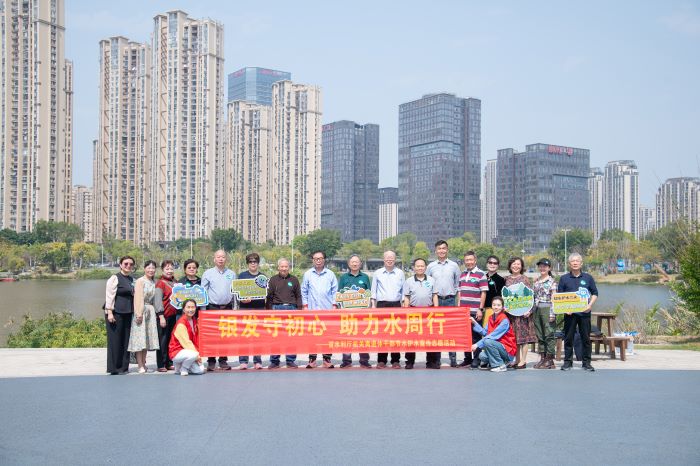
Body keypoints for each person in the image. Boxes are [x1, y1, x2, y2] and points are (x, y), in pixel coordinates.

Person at [559, 253, 599, 372]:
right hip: (569, 314)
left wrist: (590, 305)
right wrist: (565, 309)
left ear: (581, 263)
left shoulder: (588, 278)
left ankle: (586, 363)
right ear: (569, 264)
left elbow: (595, 293)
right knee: (568, 338)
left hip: (584, 313)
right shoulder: (564, 278)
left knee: (585, 339)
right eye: (573, 261)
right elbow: (559, 296)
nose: (575, 263)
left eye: (577, 261)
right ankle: (567, 363)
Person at [426, 240, 461, 367]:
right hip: (436, 301)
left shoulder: (454, 266)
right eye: (439, 248)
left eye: (444, 248)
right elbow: (427, 284)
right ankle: (437, 359)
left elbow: (458, 285)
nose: (441, 250)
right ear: (435, 251)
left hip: (450, 300)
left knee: (451, 330)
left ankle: (453, 358)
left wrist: (458, 302)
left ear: (447, 250)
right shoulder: (430, 266)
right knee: (436, 330)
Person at [301, 251, 338, 369]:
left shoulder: (330, 274)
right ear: (313, 260)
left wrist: (334, 305)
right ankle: (312, 359)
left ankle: (327, 359)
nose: (318, 260)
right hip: (312, 311)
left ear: (324, 260)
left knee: (327, 335)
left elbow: (335, 291)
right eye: (316, 258)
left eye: (320, 258)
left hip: (327, 311)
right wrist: (305, 306)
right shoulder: (308, 274)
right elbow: (304, 291)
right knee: (312, 335)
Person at [201, 250, 235, 371]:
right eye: (218, 257)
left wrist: (235, 309)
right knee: (212, 336)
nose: (221, 259)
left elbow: (235, 292)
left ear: (226, 259)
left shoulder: (231, 274)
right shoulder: (208, 273)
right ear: (214, 259)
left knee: (225, 336)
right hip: (212, 308)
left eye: (223, 257)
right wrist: (203, 310)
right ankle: (211, 361)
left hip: (227, 308)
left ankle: (223, 360)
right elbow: (203, 292)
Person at [371, 250, 406, 368]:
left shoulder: (400, 273)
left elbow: (404, 290)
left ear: (395, 259)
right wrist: (373, 305)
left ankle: (395, 360)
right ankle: (382, 360)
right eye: (387, 258)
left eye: (392, 258)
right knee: (382, 333)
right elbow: (374, 291)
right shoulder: (377, 273)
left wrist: (403, 304)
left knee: (396, 333)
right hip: (382, 305)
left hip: (396, 305)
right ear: (383, 259)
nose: (389, 260)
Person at [402, 258, 439, 369]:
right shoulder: (409, 281)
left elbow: (435, 296)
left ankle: (431, 361)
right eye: (417, 266)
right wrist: (406, 311)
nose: (420, 268)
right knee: (411, 338)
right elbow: (407, 297)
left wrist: (436, 310)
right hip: (413, 312)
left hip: (429, 312)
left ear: (425, 267)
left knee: (430, 337)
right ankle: (409, 361)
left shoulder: (432, 280)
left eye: (422, 266)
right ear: (414, 268)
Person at [266, 258, 302, 369]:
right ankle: (274, 361)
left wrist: (299, 310)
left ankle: (290, 360)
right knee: (275, 336)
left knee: (291, 336)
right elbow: (269, 297)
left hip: (291, 309)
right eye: (282, 266)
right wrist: (268, 311)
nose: (284, 268)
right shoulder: (273, 280)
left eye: (286, 266)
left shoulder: (294, 280)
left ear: (289, 267)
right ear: (278, 267)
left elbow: (298, 296)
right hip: (277, 309)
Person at [128, 260, 162, 374]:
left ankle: (144, 363)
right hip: (141, 310)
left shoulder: (154, 282)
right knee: (140, 340)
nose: (151, 270)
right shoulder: (140, 281)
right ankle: (140, 365)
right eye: (149, 268)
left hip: (150, 312)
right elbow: (138, 298)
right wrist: (139, 313)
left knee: (146, 340)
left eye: (153, 268)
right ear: (144, 269)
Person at [338, 255, 372, 368]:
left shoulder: (365, 277)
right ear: (349, 264)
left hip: (362, 312)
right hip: (347, 313)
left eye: (356, 262)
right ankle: (346, 360)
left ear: (360, 264)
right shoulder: (343, 277)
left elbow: (368, 293)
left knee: (363, 336)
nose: (354, 264)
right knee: (347, 336)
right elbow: (339, 294)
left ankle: (364, 360)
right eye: (352, 262)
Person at [104, 256, 136, 375]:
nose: (128, 266)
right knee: (115, 340)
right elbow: (109, 296)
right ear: (121, 265)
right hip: (115, 313)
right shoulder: (114, 278)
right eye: (126, 263)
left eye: (131, 264)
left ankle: (123, 367)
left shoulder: (132, 279)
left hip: (128, 312)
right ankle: (114, 368)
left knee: (126, 340)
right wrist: (110, 312)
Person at [456, 251, 488, 368]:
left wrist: (480, 309)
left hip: (475, 310)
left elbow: (483, 293)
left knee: (476, 336)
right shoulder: (462, 274)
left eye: (471, 260)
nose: (469, 262)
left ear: (475, 260)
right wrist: (459, 307)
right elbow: (460, 292)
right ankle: (467, 358)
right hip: (464, 311)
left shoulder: (481, 274)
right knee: (465, 336)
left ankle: (477, 359)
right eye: (466, 260)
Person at [470, 296, 516, 372]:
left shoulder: (504, 320)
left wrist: (477, 345)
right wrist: (475, 322)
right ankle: (504, 362)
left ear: (502, 307)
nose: (496, 307)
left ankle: (500, 365)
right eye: (494, 305)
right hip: (497, 347)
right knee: (482, 356)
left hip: (507, 349)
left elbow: (493, 336)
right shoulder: (491, 318)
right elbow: (485, 332)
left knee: (488, 341)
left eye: (498, 305)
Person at [505, 257, 535, 369]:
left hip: (523, 314)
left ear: (521, 266)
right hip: (511, 314)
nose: (516, 266)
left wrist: (529, 311)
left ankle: (523, 360)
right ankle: (517, 359)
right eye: (513, 264)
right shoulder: (506, 279)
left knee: (524, 338)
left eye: (518, 264)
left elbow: (531, 296)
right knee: (515, 337)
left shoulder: (525, 279)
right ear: (510, 265)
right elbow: (505, 296)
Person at [237, 252, 264, 370]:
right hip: (245, 309)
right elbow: (237, 294)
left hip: (259, 309)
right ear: (247, 263)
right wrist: (242, 300)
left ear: (258, 263)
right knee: (244, 335)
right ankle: (243, 361)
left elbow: (266, 293)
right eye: (251, 262)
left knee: (258, 335)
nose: (253, 264)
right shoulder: (242, 276)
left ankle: (257, 361)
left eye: (255, 262)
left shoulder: (263, 277)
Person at [168, 299, 205, 376]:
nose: (191, 310)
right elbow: (186, 343)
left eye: (193, 307)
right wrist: (197, 356)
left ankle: (180, 366)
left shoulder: (194, 320)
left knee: (200, 370)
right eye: (188, 307)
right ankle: (183, 368)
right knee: (194, 355)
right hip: (177, 351)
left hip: (188, 352)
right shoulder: (181, 323)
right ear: (183, 309)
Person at [532, 258, 558, 369]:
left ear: (549, 268)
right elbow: (533, 297)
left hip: (547, 309)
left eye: (545, 266)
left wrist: (552, 313)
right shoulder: (536, 281)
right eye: (541, 266)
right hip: (537, 309)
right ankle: (542, 358)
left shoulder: (552, 282)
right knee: (540, 334)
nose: (542, 268)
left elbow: (554, 298)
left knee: (549, 334)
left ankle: (550, 359)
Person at [155, 260, 178, 372]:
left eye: (171, 269)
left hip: (174, 315)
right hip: (164, 316)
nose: (169, 271)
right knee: (162, 340)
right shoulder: (160, 283)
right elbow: (158, 301)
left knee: (171, 340)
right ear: (162, 270)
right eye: (167, 269)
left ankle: (169, 362)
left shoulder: (175, 282)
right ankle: (161, 364)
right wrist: (161, 316)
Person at [483, 255, 506, 325]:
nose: (492, 265)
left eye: (495, 263)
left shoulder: (501, 280)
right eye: (490, 262)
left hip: (494, 310)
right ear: (487, 264)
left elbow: (502, 297)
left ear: (498, 266)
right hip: (481, 310)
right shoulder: (482, 277)